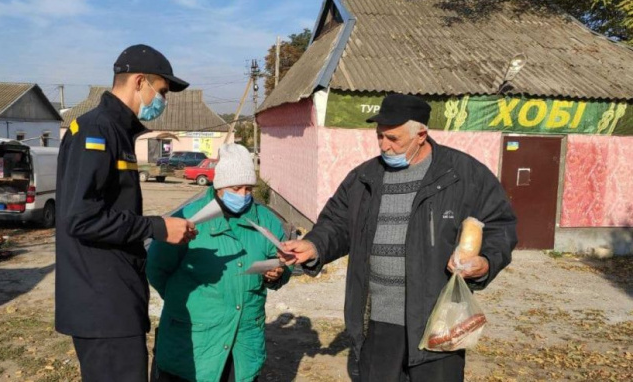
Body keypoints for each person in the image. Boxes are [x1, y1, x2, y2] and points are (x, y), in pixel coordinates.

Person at [281, 94, 517, 382]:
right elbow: (338, 223)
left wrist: (486, 262)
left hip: (436, 321)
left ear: (421, 135)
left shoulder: (462, 174)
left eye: (393, 138)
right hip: (377, 320)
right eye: (379, 136)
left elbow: (500, 225)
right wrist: (314, 245)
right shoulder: (365, 177)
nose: (383, 145)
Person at [55, 44, 197, 382]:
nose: (164, 100)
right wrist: (156, 228)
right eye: (162, 91)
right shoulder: (96, 133)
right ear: (139, 81)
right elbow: (81, 218)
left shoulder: (116, 132)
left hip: (114, 297)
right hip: (103, 305)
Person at [148, 143, 291, 382]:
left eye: (248, 189)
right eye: (236, 188)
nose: (244, 195)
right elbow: (157, 269)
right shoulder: (189, 219)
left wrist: (278, 273)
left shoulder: (266, 220)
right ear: (219, 186)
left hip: (243, 342)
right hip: (194, 338)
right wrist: (188, 301)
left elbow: (285, 261)